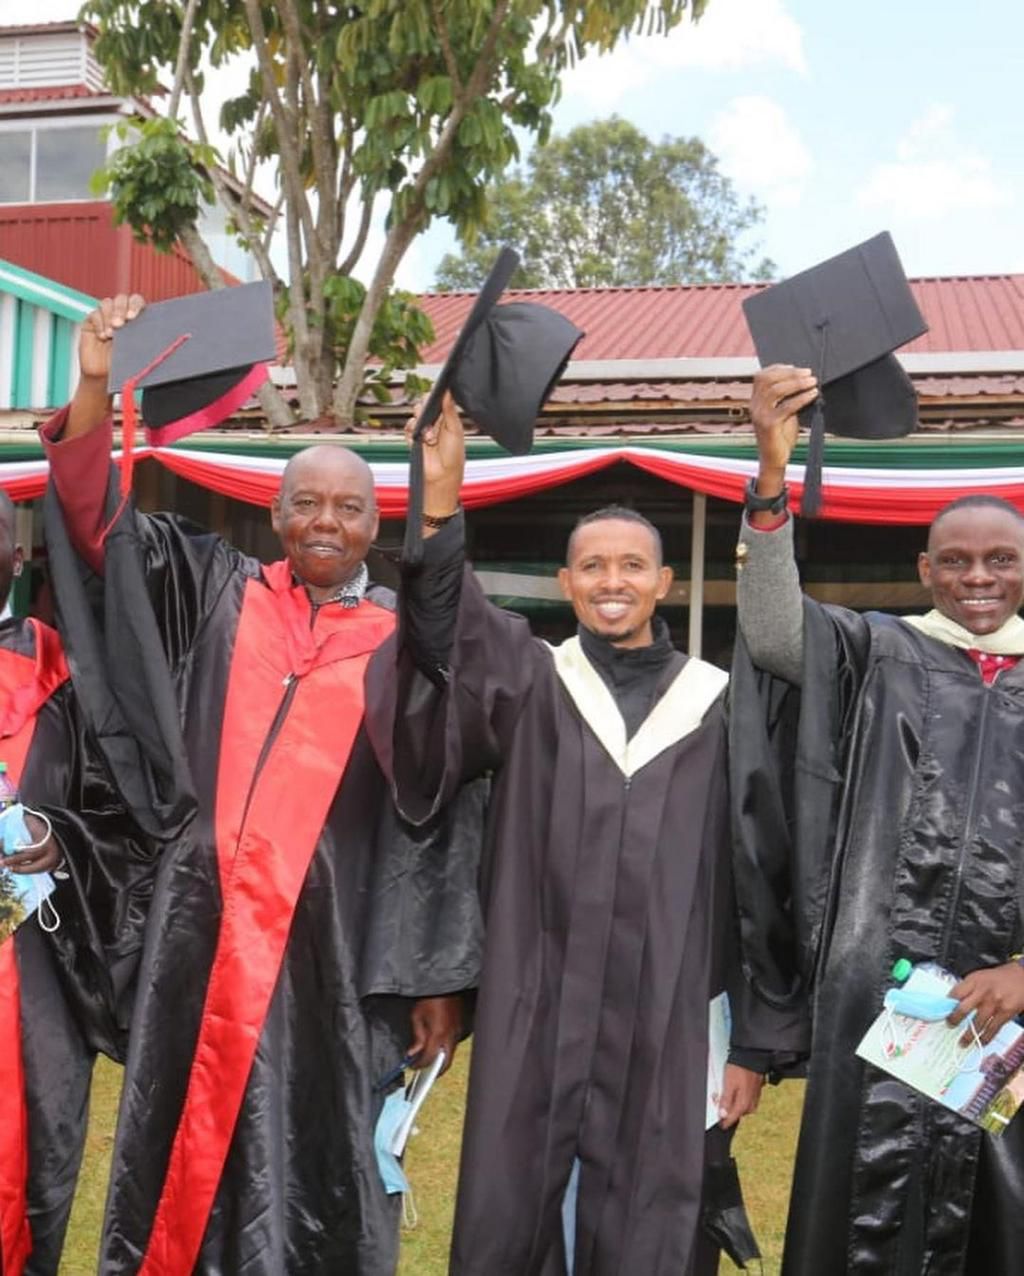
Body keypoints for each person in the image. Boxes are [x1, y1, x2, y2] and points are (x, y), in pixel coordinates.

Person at [40, 294, 484, 1276]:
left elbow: (446, 804)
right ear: (274, 514)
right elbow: (94, 524)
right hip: (195, 937)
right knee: (179, 1151)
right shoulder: (213, 592)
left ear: (379, 523)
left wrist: (439, 976)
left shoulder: (406, 644)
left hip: (328, 953)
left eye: (350, 506)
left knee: (311, 1162)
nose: (325, 520)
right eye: (307, 503)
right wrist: (96, 385)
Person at [365, 393, 798, 1276]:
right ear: (566, 584)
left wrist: (752, 1041)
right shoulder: (531, 684)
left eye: (632, 565)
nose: (612, 581)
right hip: (539, 1003)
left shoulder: (716, 708)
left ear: (664, 582)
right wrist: (441, 502)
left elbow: (759, 878)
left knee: (654, 1216)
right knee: (516, 1208)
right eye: (593, 565)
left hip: (673, 1016)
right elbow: (444, 635)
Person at [731, 363, 1024, 1276]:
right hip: (880, 997)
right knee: (860, 1212)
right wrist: (771, 485)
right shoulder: (880, 651)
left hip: (1006, 1021)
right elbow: (778, 633)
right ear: (924, 570)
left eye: (1002, 558)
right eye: (957, 561)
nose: (978, 577)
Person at [0, 489, 152, 1276]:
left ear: (18, 557)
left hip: (35, 984)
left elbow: (133, 821)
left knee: (33, 1164)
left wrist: (63, 841)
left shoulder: (68, 678)